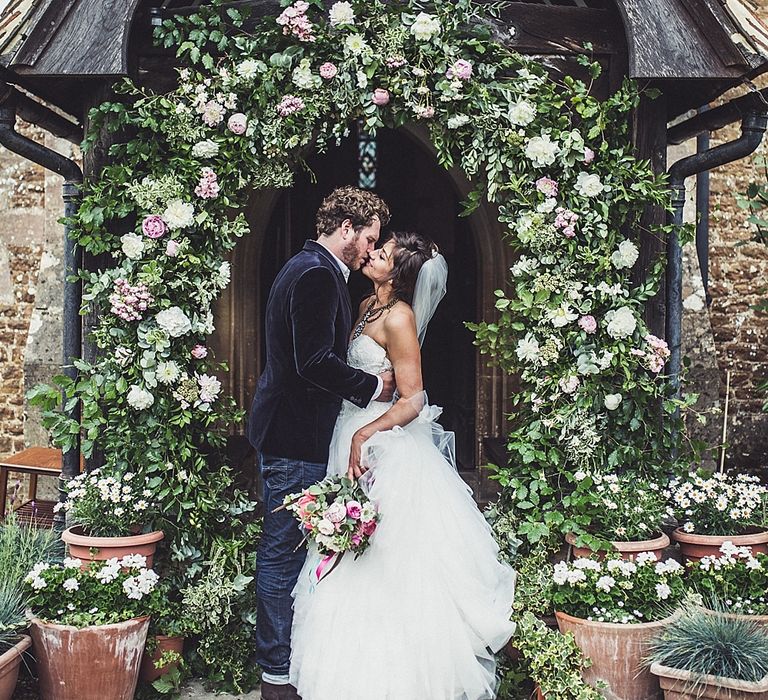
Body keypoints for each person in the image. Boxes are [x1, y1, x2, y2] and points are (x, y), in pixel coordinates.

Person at [290, 232, 517, 700]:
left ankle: (393, 678)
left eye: (383, 253)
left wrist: (365, 434)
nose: (371, 252)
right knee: (347, 548)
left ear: (397, 274)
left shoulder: (400, 317)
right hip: (350, 432)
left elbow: (414, 398)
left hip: (384, 445)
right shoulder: (365, 306)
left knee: (386, 555)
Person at [247, 186, 395, 700]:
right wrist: (374, 386)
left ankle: (285, 662)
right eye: (369, 238)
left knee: (288, 548)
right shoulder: (315, 275)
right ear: (347, 228)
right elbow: (312, 362)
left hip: (293, 434)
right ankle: (275, 675)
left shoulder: (311, 267)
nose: (370, 251)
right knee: (283, 551)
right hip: (293, 437)